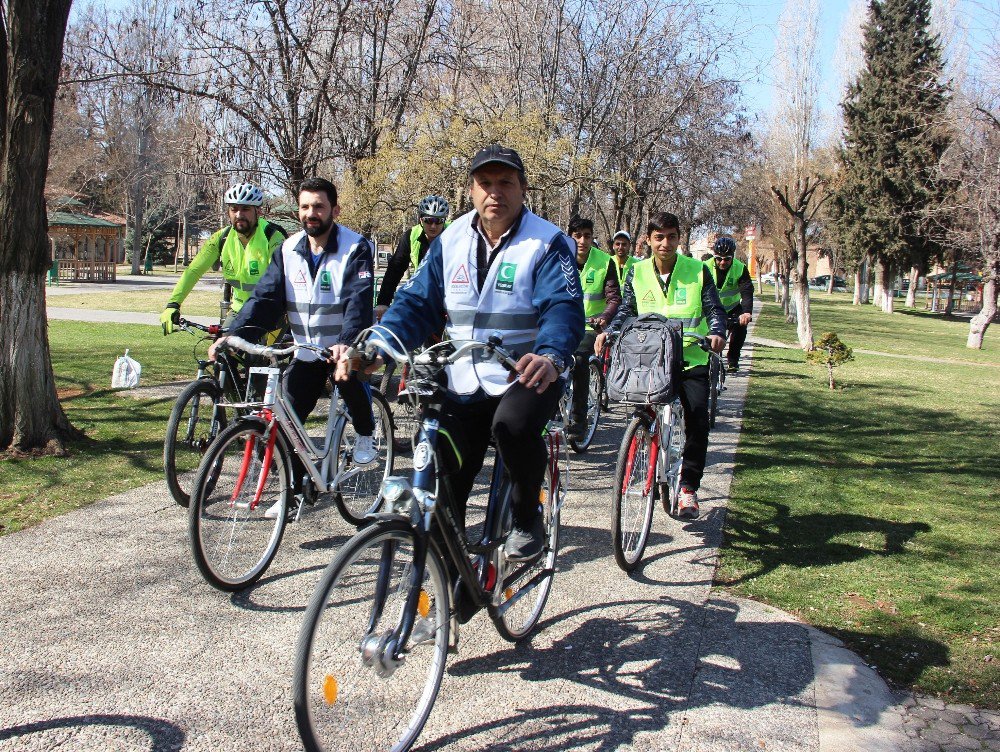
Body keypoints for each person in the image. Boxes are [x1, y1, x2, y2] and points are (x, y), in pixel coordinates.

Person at [339, 144, 584, 563]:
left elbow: (563, 308)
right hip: (462, 376)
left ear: (523, 188)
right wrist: (377, 345)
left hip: (525, 375)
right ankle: (454, 574)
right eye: (484, 184)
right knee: (439, 463)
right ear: (470, 191)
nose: (495, 192)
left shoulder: (548, 242)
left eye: (505, 183)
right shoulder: (449, 239)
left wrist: (550, 355)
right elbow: (416, 303)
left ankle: (528, 516)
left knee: (511, 427)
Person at [208, 177, 378, 515]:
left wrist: (346, 343)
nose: (311, 213)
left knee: (348, 378)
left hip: (343, 347)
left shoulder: (355, 247)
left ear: (334, 210)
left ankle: (365, 432)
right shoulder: (287, 250)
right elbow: (265, 298)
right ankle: (300, 492)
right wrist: (233, 334)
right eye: (305, 207)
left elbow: (358, 302)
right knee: (286, 420)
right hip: (305, 349)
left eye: (319, 207)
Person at [596, 212, 725, 519]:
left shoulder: (697, 271)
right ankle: (648, 458)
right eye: (659, 237)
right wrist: (610, 332)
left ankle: (688, 489)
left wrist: (717, 332)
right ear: (649, 240)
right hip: (651, 361)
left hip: (691, 358)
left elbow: (713, 307)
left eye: (671, 237)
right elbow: (626, 309)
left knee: (697, 420)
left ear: (679, 238)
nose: (665, 243)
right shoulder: (637, 272)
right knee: (644, 411)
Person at [160, 183, 287, 333]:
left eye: (245, 209)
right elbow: (193, 271)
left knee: (259, 353)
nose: (239, 215)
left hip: (271, 311)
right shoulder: (222, 238)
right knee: (221, 351)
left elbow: (279, 278)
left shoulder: (272, 237)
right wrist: (173, 304)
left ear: (258, 211)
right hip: (239, 310)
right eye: (234, 209)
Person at [567, 216, 620, 439]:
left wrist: (603, 317)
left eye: (587, 236)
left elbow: (614, 298)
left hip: (590, 328)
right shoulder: (558, 256)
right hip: (562, 324)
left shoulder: (605, 262)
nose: (582, 240)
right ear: (569, 236)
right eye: (577, 236)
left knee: (579, 361)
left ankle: (579, 420)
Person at [374, 194, 450, 321]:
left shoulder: (454, 234)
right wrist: (383, 302)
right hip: (423, 294)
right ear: (420, 219)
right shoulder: (411, 236)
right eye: (428, 220)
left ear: (444, 220)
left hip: (449, 295)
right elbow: (395, 269)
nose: (433, 226)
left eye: (438, 221)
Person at [704, 236, 753, 372]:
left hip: (732, 308)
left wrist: (746, 312)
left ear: (733, 256)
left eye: (727, 259)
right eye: (719, 258)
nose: (722, 262)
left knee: (741, 327)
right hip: (711, 308)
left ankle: (733, 359)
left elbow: (747, 291)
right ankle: (705, 359)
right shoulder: (704, 267)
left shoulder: (740, 268)